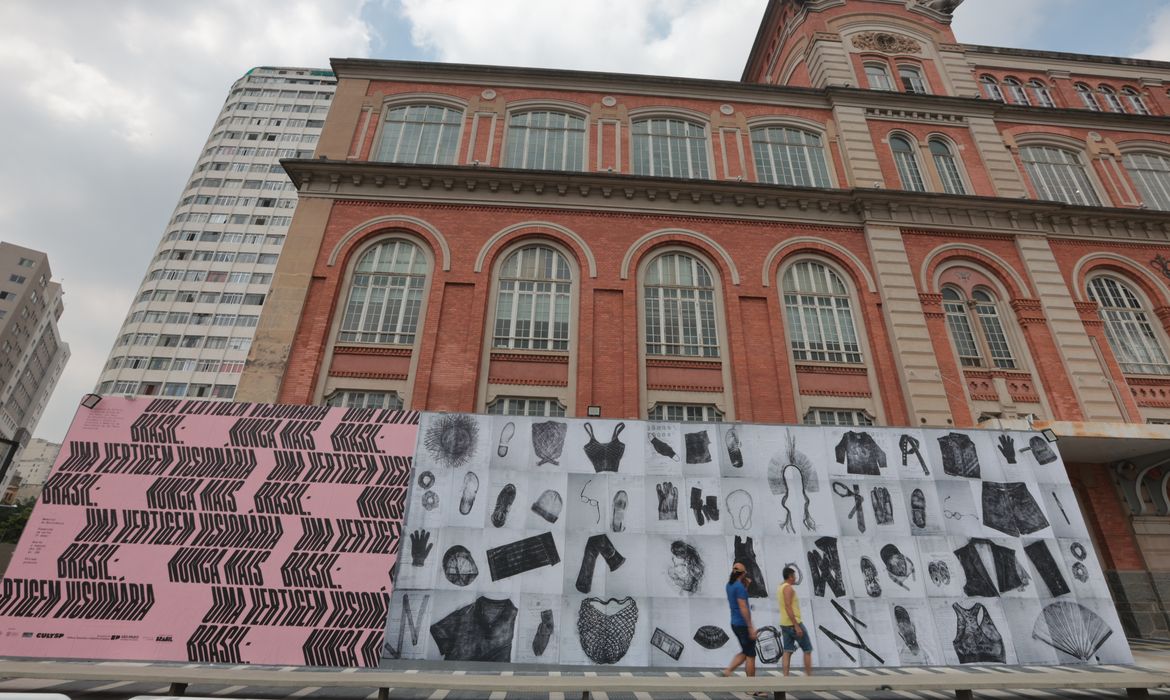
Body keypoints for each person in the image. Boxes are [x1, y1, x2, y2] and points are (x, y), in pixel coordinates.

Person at [724, 561, 767, 696]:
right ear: (742, 574)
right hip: (743, 624)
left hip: (735, 623)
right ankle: (751, 687)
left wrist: (746, 586)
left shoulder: (730, 585)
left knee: (745, 651)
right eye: (745, 572)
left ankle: (728, 671)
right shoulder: (739, 587)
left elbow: (739, 600)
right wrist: (750, 627)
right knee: (750, 655)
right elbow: (743, 607)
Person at [778, 566, 813, 676]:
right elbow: (788, 606)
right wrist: (796, 625)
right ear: (790, 576)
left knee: (787, 651)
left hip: (784, 623)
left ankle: (785, 677)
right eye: (794, 576)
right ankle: (809, 678)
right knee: (807, 649)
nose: (795, 578)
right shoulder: (788, 588)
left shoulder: (780, 587)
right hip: (794, 624)